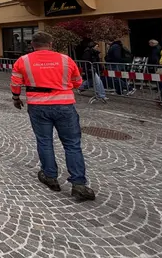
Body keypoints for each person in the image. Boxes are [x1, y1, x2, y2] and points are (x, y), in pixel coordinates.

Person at [10, 31, 96, 201]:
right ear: (50, 44)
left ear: (32, 45)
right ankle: (79, 184)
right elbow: (78, 81)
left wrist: (16, 98)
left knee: (44, 141)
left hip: (38, 106)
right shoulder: (66, 60)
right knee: (72, 144)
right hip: (64, 105)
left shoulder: (23, 61)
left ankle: (50, 176)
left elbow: (15, 83)